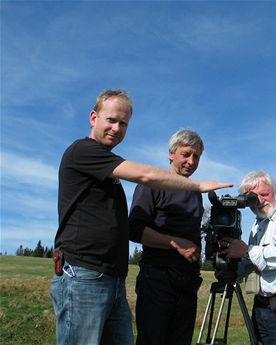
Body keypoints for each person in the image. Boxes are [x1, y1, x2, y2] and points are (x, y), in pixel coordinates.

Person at [50, 90, 232, 345]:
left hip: (113, 276)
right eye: (111, 120)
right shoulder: (83, 151)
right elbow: (144, 178)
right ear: (93, 117)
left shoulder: (106, 170)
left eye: (123, 123)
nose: (116, 128)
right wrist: (198, 186)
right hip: (84, 274)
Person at [128, 129, 205, 345]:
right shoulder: (152, 184)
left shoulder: (195, 192)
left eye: (196, 156)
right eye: (186, 154)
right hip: (157, 280)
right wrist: (176, 245)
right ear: (172, 154)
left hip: (188, 283)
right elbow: (134, 229)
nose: (191, 161)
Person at [221, 171, 276, 345]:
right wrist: (230, 259)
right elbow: (253, 263)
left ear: (275, 192)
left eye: (265, 194)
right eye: (253, 198)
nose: (260, 201)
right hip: (262, 306)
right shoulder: (257, 225)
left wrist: (246, 251)